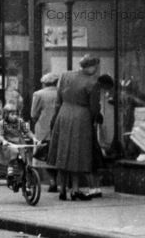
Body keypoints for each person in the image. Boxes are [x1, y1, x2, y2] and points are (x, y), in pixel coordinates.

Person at [47, 54, 101, 201]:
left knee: (64, 152)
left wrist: (55, 117)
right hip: (81, 117)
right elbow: (94, 107)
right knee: (77, 154)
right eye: (95, 66)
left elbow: (58, 99)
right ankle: (75, 189)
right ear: (91, 66)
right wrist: (96, 118)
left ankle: (63, 188)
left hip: (63, 114)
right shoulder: (92, 82)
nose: (96, 69)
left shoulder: (65, 76)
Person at [31, 71, 59, 192]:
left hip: (43, 129)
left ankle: (50, 181)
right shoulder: (60, 93)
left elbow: (33, 114)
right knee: (56, 156)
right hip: (58, 129)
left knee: (43, 156)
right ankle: (57, 181)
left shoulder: (38, 94)